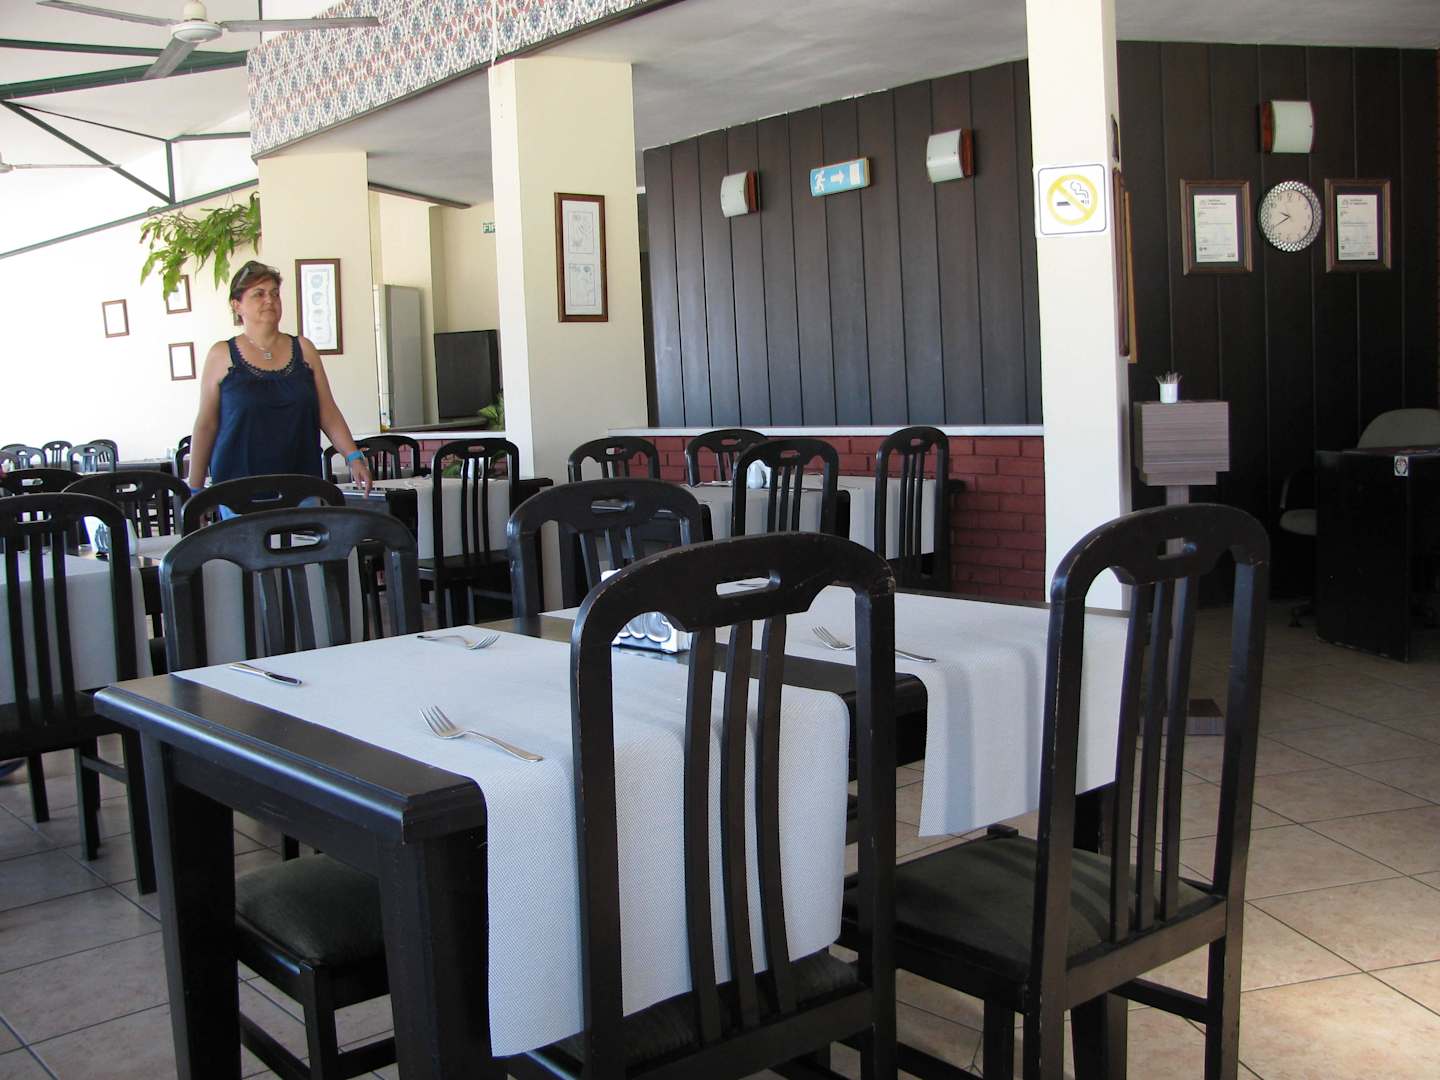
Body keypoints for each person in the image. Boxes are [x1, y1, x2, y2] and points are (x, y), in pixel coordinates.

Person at [186, 260, 373, 501]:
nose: (270, 300)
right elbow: (206, 424)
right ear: (236, 305)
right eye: (259, 294)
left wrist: (353, 457)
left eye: (275, 294)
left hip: (301, 483)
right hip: (238, 489)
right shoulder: (221, 354)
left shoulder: (304, 349)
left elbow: (327, 411)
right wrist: (195, 490)